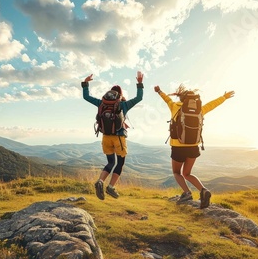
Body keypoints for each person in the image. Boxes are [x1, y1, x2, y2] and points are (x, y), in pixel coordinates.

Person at [154, 84, 235, 208]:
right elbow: (213, 104)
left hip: (178, 147)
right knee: (187, 173)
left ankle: (187, 193)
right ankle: (203, 190)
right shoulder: (200, 110)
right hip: (193, 147)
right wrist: (224, 97)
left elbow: (167, 99)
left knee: (177, 172)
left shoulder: (175, 107)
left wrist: (159, 91)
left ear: (182, 99)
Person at [82, 71, 144, 200]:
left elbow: (86, 97)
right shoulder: (123, 105)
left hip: (106, 137)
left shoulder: (101, 104)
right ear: (120, 94)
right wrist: (139, 83)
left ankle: (100, 181)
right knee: (120, 163)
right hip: (119, 138)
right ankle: (110, 187)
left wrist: (85, 83)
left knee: (110, 162)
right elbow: (139, 98)